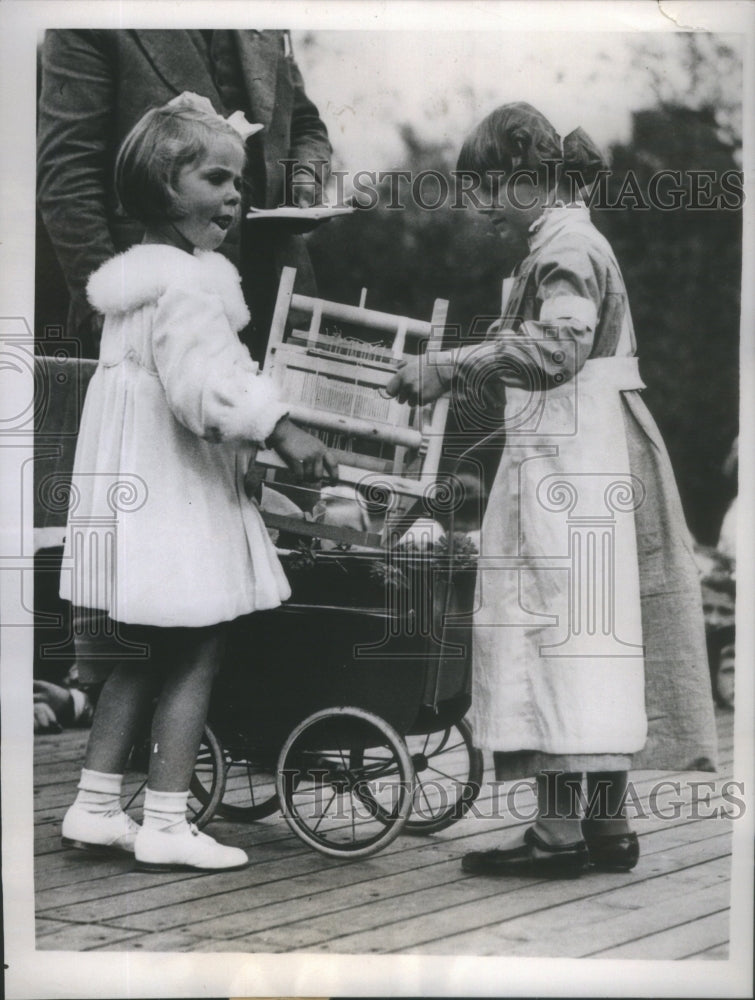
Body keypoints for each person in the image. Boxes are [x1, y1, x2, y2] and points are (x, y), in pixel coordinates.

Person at [387, 102, 717, 878]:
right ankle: (606, 825)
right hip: (586, 452)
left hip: (574, 463)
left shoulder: (565, 243)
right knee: (593, 636)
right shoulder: (571, 236)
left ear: (522, 177)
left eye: (490, 190)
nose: (484, 208)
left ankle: (557, 834)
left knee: (557, 630)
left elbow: (560, 345)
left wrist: (446, 367)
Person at [59, 96, 337, 872]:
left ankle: (94, 803)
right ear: (163, 186)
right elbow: (205, 390)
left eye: (237, 181)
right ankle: (167, 820)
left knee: (140, 652)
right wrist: (280, 426)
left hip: (135, 495)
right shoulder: (184, 289)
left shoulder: (140, 287)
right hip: (174, 498)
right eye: (216, 178)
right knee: (196, 648)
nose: (234, 196)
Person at [37, 29, 331, 360]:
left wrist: (304, 177)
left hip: (280, 298)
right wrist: (109, 307)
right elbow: (68, 171)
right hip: (157, 307)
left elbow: (305, 123)